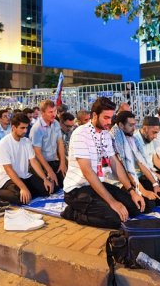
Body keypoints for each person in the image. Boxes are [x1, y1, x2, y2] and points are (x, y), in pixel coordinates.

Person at [61, 97, 145, 229]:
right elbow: (88, 172)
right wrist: (112, 202)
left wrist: (131, 191)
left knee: (135, 208)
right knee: (115, 218)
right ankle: (72, 212)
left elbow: (114, 163)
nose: (109, 122)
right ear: (94, 115)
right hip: (78, 189)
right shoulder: (80, 134)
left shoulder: (105, 134)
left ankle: (100, 204)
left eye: (111, 118)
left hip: (98, 184)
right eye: (106, 118)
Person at [0, 113, 54, 205]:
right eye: (22, 128)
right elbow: (8, 169)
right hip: (7, 179)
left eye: (26, 127)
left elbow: (33, 161)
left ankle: (27, 190)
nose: (25, 131)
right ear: (13, 127)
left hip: (24, 176)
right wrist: (23, 188)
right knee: (20, 198)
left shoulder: (26, 141)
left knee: (47, 189)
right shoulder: (3, 144)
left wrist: (45, 179)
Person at [110, 111, 160, 212]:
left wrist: (155, 184)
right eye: (130, 125)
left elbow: (141, 162)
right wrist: (142, 191)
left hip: (133, 178)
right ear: (121, 125)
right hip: (118, 181)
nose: (134, 128)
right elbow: (124, 168)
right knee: (146, 205)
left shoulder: (132, 138)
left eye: (134, 124)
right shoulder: (114, 140)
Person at [29, 99, 66, 187]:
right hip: (41, 163)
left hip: (54, 160)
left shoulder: (56, 123)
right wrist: (49, 170)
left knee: (65, 183)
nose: (53, 114)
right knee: (50, 187)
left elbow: (60, 143)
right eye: (50, 112)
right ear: (42, 113)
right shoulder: (37, 128)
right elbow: (37, 153)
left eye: (54, 111)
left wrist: (63, 163)